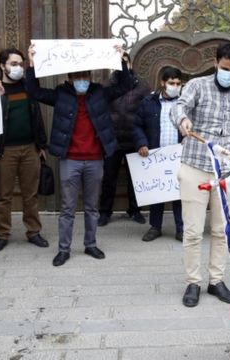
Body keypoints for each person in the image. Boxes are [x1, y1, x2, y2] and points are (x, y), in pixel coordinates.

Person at [171, 42, 230, 308]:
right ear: (215, 63)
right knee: (192, 231)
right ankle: (193, 282)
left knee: (222, 231)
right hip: (195, 168)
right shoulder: (197, 86)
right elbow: (178, 107)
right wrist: (183, 121)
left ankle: (216, 281)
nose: (228, 74)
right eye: (225, 68)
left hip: (227, 173)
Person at [26, 44, 133, 266]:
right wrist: (32, 65)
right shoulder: (60, 94)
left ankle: (90, 244)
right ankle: (64, 249)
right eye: (77, 75)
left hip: (95, 160)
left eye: (85, 75)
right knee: (67, 208)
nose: (81, 79)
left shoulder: (100, 93)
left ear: (90, 76)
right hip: (70, 160)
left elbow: (126, 85)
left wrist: (121, 60)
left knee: (92, 207)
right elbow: (34, 92)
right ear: (70, 77)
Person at [0, 48, 48, 252]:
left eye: (20, 64)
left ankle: (33, 231)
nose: (18, 68)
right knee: (3, 195)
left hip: (30, 149)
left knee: (30, 194)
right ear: (2, 66)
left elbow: (37, 117)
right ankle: (2, 234)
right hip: (4, 151)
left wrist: (41, 145)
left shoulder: (27, 87)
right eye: (13, 64)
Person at [98, 52, 151, 227]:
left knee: (135, 179)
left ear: (131, 64)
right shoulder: (106, 85)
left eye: (124, 62)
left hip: (134, 140)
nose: (122, 65)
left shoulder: (142, 86)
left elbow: (147, 111)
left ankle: (135, 210)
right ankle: (105, 212)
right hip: (112, 140)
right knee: (109, 178)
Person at [133, 66, 184, 242]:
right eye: (171, 83)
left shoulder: (185, 102)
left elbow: (196, 125)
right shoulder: (149, 102)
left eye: (178, 83)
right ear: (163, 82)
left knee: (179, 193)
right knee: (158, 192)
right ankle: (155, 227)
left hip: (179, 157)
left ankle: (181, 228)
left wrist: (188, 139)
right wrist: (142, 143)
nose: (175, 86)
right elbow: (137, 124)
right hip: (156, 156)